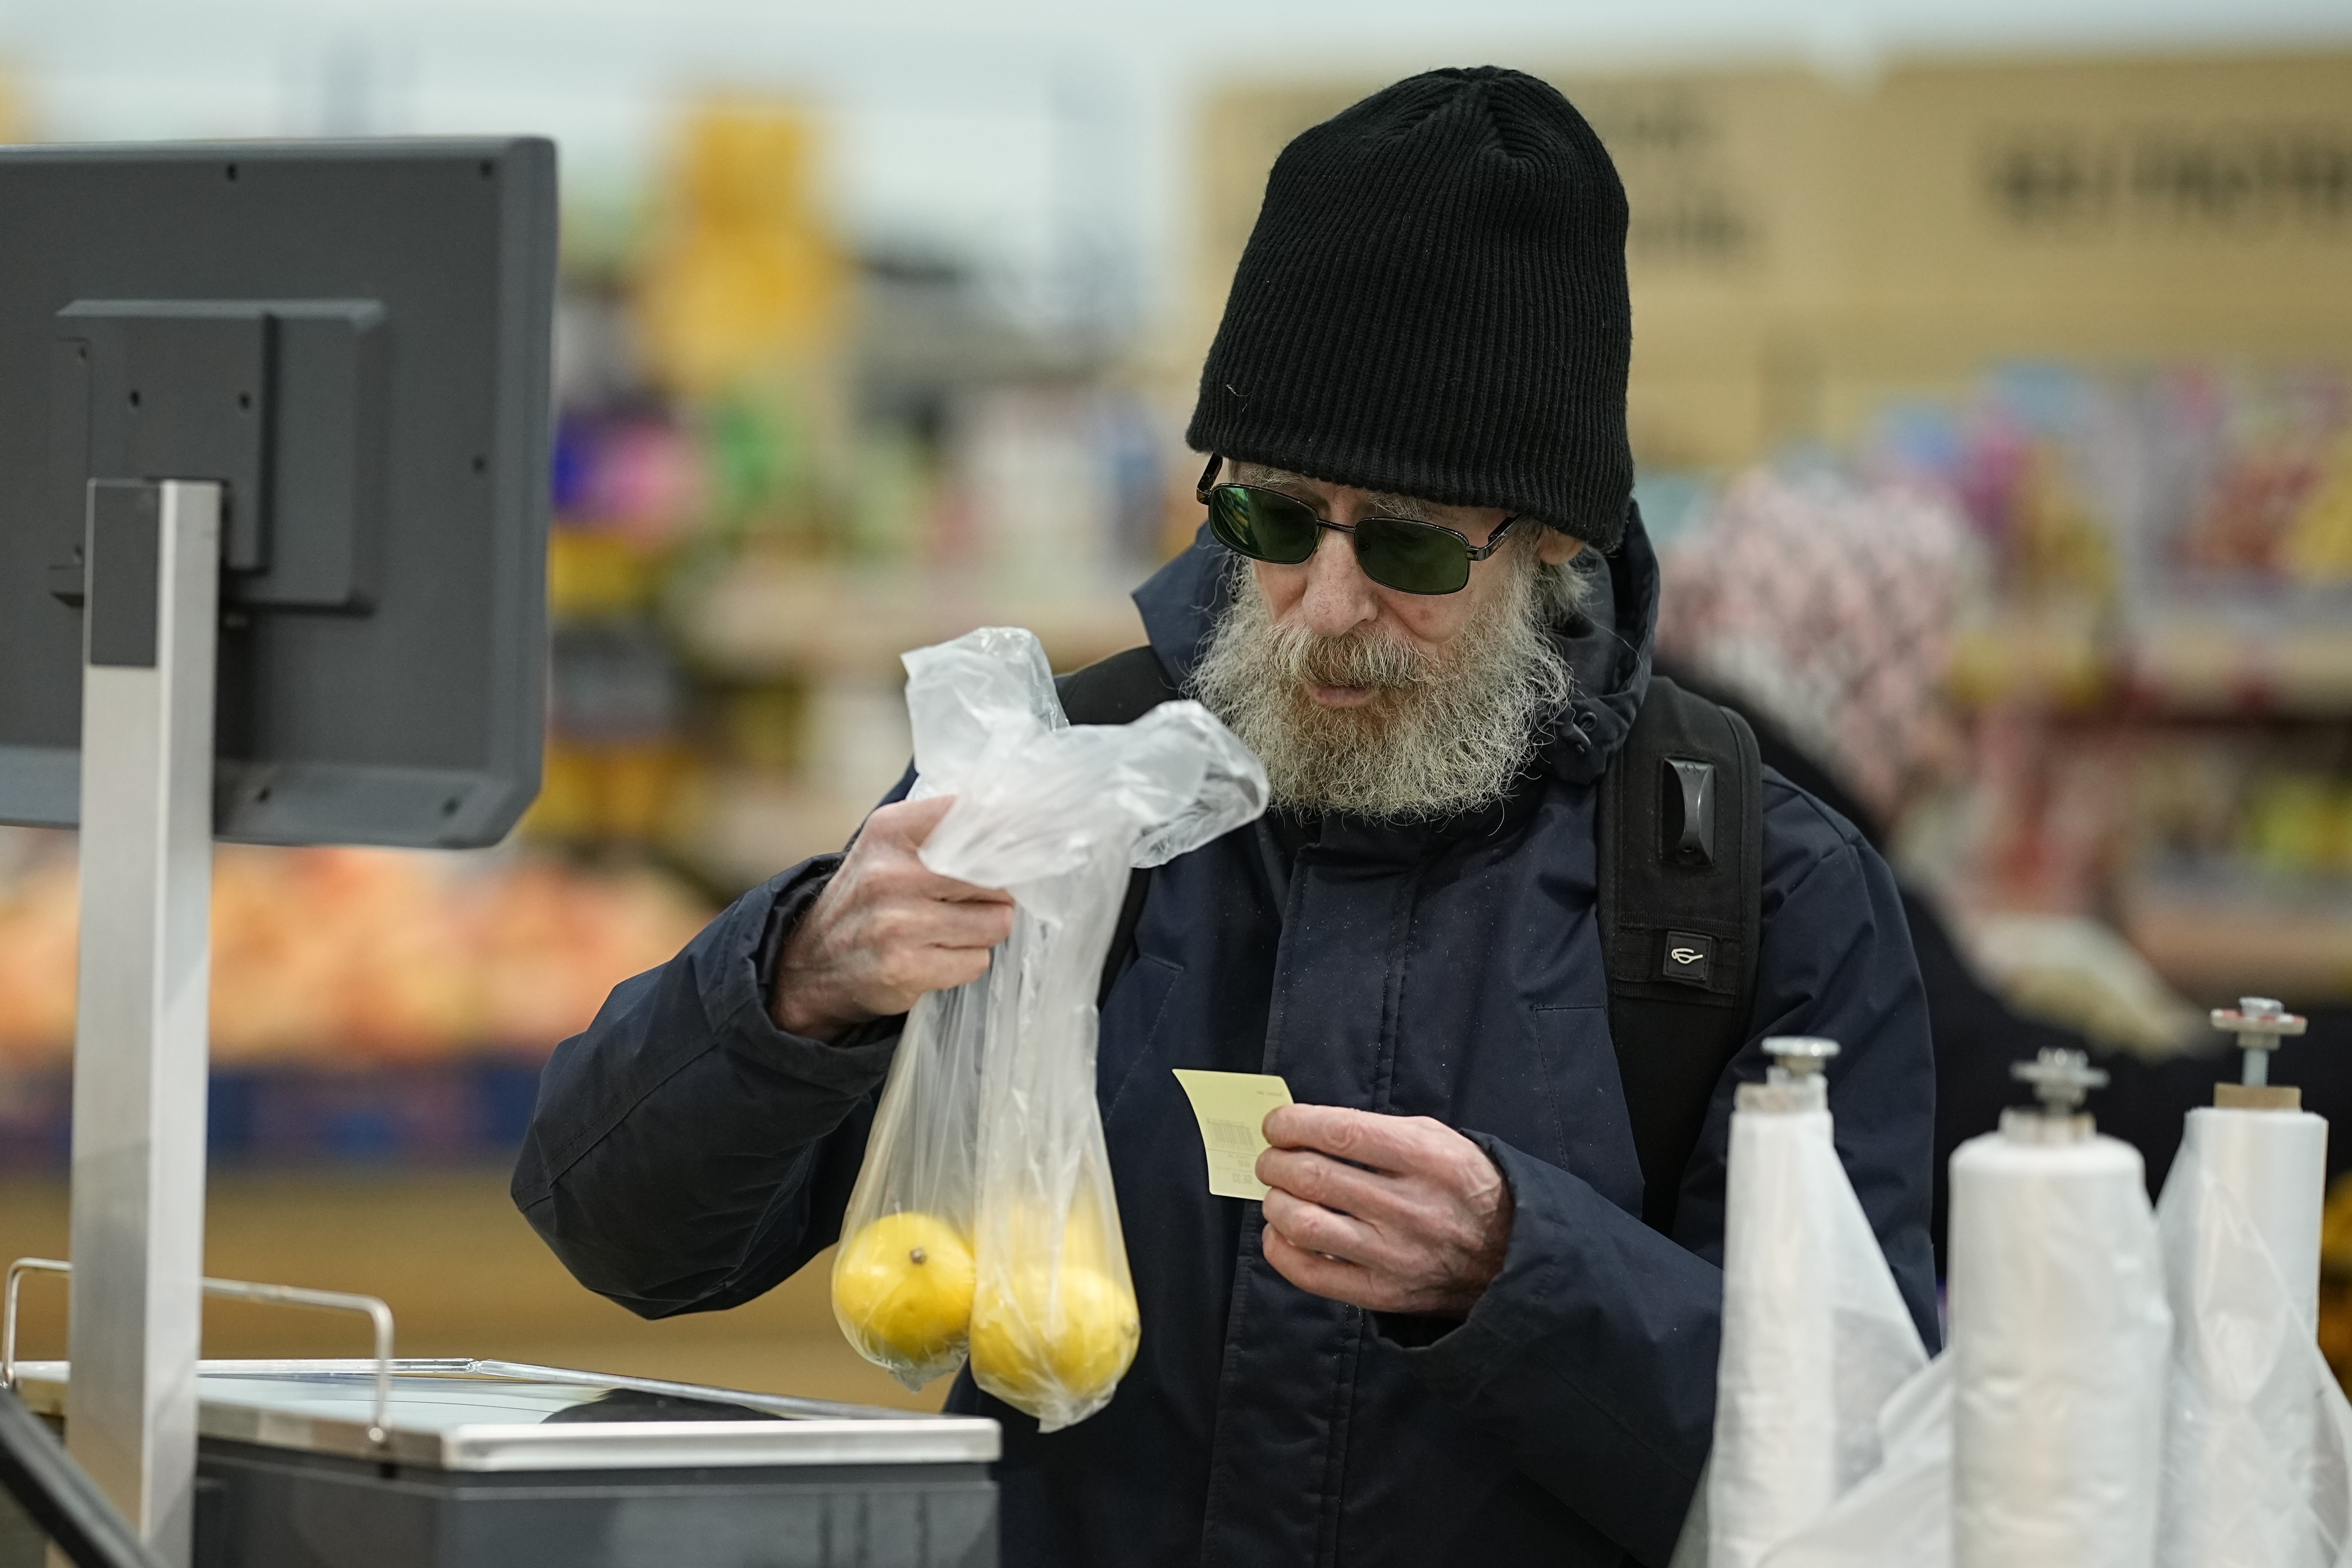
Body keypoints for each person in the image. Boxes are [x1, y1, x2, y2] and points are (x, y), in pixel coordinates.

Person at [514, 68, 1938, 1568]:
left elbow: (1859, 1462)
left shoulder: (1749, 890)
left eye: (1404, 543)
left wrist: (1520, 1274)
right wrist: (792, 985)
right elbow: (615, 1232)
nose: (1327, 608)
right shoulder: (1057, 789)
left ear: (1559, 543)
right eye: (1270, 518)